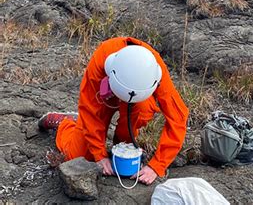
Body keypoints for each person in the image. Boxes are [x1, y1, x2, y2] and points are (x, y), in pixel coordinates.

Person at [38, 36, 189, 185]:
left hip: (139, 100)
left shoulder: (153, 69)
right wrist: (99, 155)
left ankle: (122, 144)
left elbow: (178, 117)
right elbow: (90, 111)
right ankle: (66, 123)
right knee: (77, 156)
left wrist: (157, 166)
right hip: (104, 94)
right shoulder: (101, 61)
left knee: (143, 109)